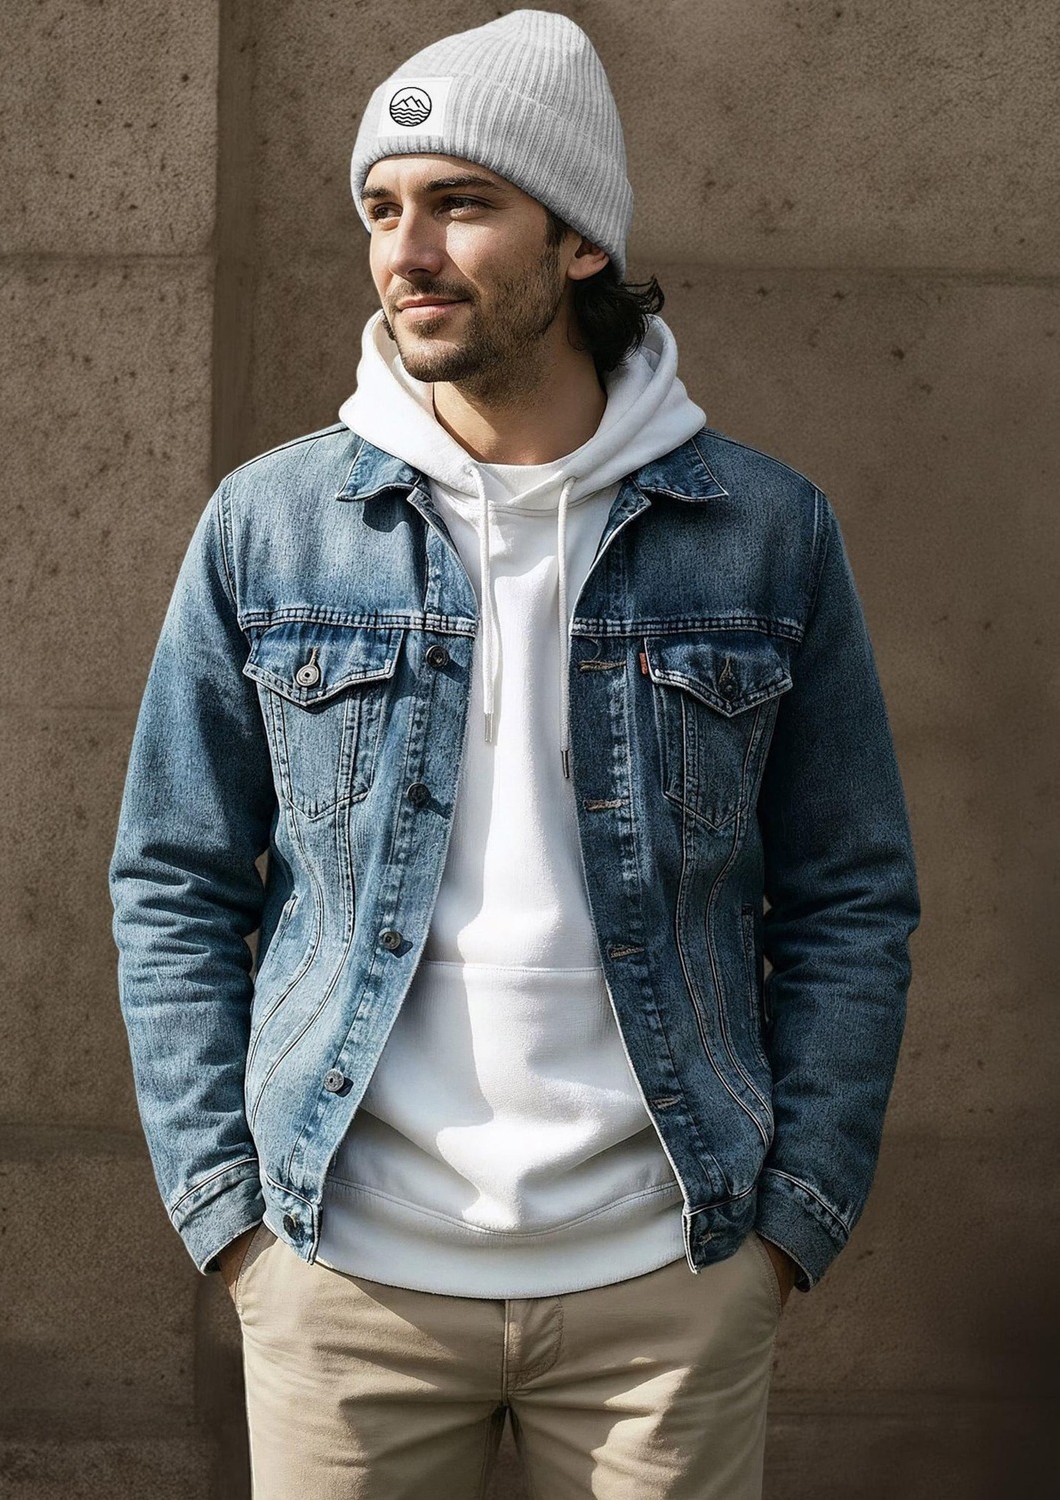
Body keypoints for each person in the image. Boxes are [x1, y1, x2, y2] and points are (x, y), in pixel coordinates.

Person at [108, 9, 920, 1497]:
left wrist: (789, 1223)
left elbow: (850, 893)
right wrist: (228, 1220)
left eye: (461, 202)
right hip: (344, 1280)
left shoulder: (763, 532)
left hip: (666, 1281)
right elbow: (172, 877)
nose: (406, 253)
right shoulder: (271, 527)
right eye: (382, 209)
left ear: (580, 240)